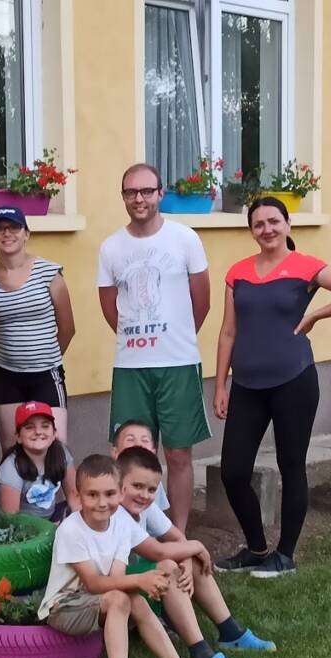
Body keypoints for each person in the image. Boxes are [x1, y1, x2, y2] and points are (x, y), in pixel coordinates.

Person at [213, 196, 331, 578]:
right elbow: (228, 332)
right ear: (251, 231)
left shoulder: (306, 267)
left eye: (273, 221)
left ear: (287, 225)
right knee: (233, 471)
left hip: (294, 381)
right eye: (258, 224)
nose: (267, 229)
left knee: (290, 465)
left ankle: (285, 555)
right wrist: (220, 385)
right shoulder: (237, 273)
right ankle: (256, 548)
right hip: (247, 384)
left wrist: (315, 313)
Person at [38, 455, 223, 658]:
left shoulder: (121, 525)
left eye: (110, 494)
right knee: (121, 597)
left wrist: (141, 583)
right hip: (63, 607)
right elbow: (93, 583)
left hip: (99, 600)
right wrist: (141, 580)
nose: (102, 503)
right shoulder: (71, 530)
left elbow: (116, 578)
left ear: (120, 492)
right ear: (78, 495)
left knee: (132, 600)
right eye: (92, 495)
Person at [98, 163, 212, 532]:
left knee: (178, 453)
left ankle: (176, 533)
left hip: (178, 362)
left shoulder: (185, 238)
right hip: (131, 366)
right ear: (124, 198)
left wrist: (173, 336)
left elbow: (202, 301)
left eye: (147, 191)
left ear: (160, 194)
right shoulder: (111, 247)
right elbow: (108, 305)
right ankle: (133, 534)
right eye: (131, 192)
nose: (139, 198)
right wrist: (138, 337)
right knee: (132, 453)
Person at [117, 446, 278, 658]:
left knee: (187, 560)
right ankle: (200, 653)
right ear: (120, 485)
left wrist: (188, 559)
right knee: (169, 565)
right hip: (118, 588)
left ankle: (230, 631)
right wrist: (197, 546)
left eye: (151, 489)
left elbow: (177, 540)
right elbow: (158, 550)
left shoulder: (145, 508)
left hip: (142, 582)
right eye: (137, 487)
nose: (144, 495)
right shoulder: (116, 514)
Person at [0, 207, 75, 453]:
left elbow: (67, 327)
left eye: (14, 227)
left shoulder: (49, 273)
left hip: (46, 374)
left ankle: (63, 494)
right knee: (13, 451)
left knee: (56, 449)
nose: (7, 234)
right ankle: (17, 494)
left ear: (26, 234)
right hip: (3, 375)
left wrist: (45, 356)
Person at [0, 400, 78, 521]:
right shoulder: (11, 468)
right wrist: (48, 533)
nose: (38, 432)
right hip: (25, 529)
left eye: (45, 426)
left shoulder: (61, 452)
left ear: (54, 433)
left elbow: (74, 496)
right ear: (18, 436)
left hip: (52, 518)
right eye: (29, 427)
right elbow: (10, 520)